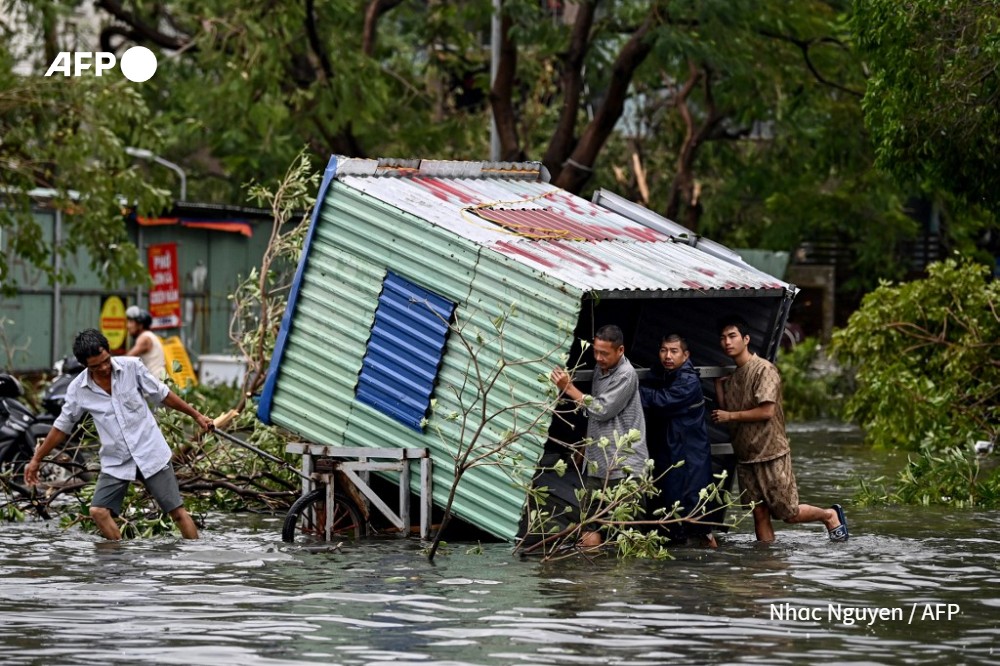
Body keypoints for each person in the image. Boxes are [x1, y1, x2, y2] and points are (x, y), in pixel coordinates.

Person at [25, 329, 214, 540]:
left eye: (106, 360)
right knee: (98, 512)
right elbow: (61, 428)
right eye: (96, 366)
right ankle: (121, 563)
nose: (104, 368)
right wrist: (36, 459)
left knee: (177, 513)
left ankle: (195, 562)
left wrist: (197, 416)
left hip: (150, 451)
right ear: (85, 366)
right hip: (117, 460)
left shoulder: (131, 367)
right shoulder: (78, 389)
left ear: (109, 351)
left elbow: (163, 395)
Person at [710, 316, 848, 543]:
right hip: (746, 457)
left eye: (732, 336)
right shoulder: (733, 377)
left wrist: (729, 415)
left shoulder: (764, 369)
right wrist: (719, 388)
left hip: (771, 452)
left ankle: (829, 515)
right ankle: (767, 566)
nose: (727, 342)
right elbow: (729, 415)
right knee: (759, 514)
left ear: (746, 339)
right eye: (723, 338)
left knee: (788, 514)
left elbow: (766, 411)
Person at [550, 325, 648, 546]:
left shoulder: (626, 374)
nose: (599, 357)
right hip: (598, 464)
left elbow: (601, 409)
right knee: (589, 525)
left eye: (604, 353)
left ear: (620, 350)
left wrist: (569, 388)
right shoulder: (600, 369)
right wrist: (588, 443)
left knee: (629, 535)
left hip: (625, 468)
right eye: (596, 351)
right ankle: (592, 579)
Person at [640, 334, 717, 548]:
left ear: (686, 355)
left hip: (689, 453)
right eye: (664, 350)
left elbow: (662, 401)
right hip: (675, 450)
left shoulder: (688, 379)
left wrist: (635, 389)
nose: (668, 356)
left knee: (694, 508)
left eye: (674, 351)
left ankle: (705, 548)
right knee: (672, 503)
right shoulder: (665, 374)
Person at [125, 306, 167, 378]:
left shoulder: (145, 338)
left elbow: (127, 358)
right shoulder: (149, 336)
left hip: (155, 383)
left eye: (131, 322)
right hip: (157, 381)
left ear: (140, 325)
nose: (128, 326)